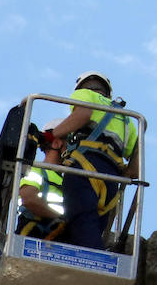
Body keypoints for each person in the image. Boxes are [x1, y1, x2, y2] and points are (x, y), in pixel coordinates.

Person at [48, 72, 139, 249]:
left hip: (84, 169)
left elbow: (83, 114)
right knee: (93, 226)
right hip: (111, 179)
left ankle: (91, 262)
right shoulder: (127, 119)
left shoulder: (85, 94)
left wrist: (50, 135)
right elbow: (135, 170)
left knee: (80, 221)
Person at [16, 118, 67, 241]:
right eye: (69, 141)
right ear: (56, 143)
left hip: (58, 235)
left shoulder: (68, 179)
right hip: (34, 232)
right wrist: (64, 220)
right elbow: (29, 200)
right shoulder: (35, 170)